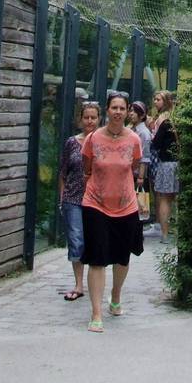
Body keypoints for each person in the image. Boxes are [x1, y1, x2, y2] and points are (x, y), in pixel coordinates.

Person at [80, 91, 145, 332]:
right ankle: (96, 313)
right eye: (113, 107)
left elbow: (134, 166)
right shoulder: (93, 139)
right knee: (97, 258)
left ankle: (115, 295)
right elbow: (87, 167)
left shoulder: (134, 140)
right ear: (107, 111)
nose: (117, 112)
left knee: (122, 257)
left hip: (126, 205)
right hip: (95, 203)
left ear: (127, 111)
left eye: (121, 108)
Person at [57, 102, 100, 301]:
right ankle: (79, 284)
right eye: (86, 117)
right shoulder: (71, 143)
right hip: (73, 198)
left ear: (99, 119)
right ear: (80, 119)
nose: (90, 121)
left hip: (96, 200)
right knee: (76, 240)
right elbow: (63, 173)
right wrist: (62, 198)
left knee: (93, 241)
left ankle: (94, 282)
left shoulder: (103, 142)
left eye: (93, 117)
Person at [149, 90, 179, 239]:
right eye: (155, 99)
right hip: (179, 163)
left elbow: (156, 143)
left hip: (166, 163)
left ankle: (165, 234)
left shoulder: (162, 119)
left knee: (164, 198)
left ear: (166, 101)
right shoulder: (177, 118)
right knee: (176, 198)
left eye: (158, 99)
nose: (155, 102)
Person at [128, 99, 152, 221]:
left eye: (134, 111)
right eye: (130, 110)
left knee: (138, 209)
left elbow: (145, 157)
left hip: (138, 175)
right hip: (129, 173)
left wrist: (141, 177)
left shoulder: (143, 133)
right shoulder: (131, 129)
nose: (131, 114)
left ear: (142, 115)